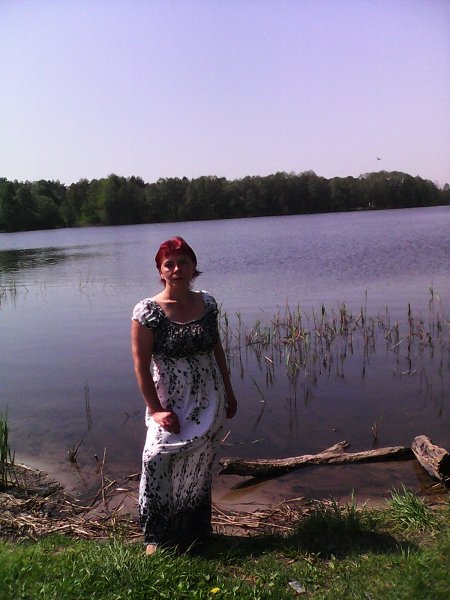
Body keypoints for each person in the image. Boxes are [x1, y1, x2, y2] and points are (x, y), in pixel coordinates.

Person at [131, 236, 237, 554]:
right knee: (155, 458)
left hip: (210, 399)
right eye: (170, 264)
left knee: (199, 466)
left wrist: (229, 392)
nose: (177, 269)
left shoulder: (208, 303)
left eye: (183, 262)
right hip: (170, 401)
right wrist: (156, 410)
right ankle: (156, 537)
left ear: (193, 267)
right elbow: (140, 366)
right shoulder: (147, 312)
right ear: (160, 271)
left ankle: (195, 531)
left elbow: (217, 350)